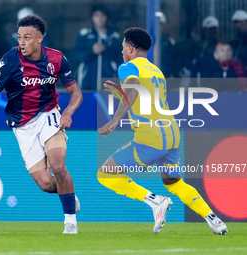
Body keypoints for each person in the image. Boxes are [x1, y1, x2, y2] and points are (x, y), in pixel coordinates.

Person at [97, 27, 228, 235]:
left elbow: (133, 90)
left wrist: (115, 120)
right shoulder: (156, 71)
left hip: (150, 137)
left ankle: (156, 201)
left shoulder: (127, 66)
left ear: (130, 48)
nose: (122, 52)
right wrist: (119, 93)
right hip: (172, 133)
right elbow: (143, 97)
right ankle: (215, 221)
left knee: (105, 174)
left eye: (123, 48)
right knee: (174, 182)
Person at [0, 15, 83, 234]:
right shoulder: (10, 61)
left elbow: (75, 92)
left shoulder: (57, 59)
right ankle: (68, 195)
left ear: (40, 38)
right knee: (46, 184)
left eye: (27, 37)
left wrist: (68, 112)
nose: (22, 42)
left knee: (59, 166)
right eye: (19, 37)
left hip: (49, 115)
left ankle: (70, 222)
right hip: (22, 125)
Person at [74, 5, 122, 90]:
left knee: (106, 103)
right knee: (88, 102)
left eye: (102, 15)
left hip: (109, 81)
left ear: (107, 17)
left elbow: (119, 59)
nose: (100, 18)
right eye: (96, 15)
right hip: (87, 81)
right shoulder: (84, 35)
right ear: (92, 18)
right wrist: (92, 51)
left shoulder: (114, 36)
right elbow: (77, 56)